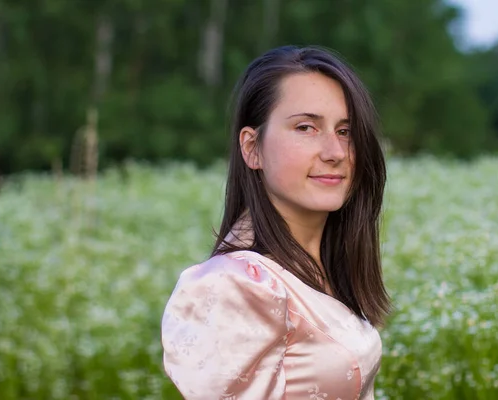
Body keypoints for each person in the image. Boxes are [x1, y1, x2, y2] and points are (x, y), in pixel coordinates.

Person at [160, 45, 391, 400]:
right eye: (305, 127)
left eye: (345, 131)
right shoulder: (236, 287)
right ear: (252, 148)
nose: (335, 152)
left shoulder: (325, 267)